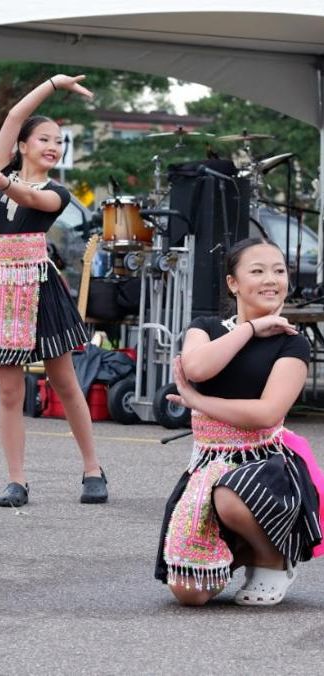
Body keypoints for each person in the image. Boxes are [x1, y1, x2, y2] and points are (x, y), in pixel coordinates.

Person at [0, 74, 108, 507]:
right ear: (22, 146)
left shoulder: (56, 192)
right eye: (44, 139)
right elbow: (14, 115)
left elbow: (31, 200)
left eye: (59, 142)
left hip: (37, 286)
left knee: (64, 381)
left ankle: (93, 469)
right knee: (9, 390)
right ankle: (16, 480)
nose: (53, 146)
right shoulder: (3, 169)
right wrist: (53, 84)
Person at [155, 237, 324, 606]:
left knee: (230, 495)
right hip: (207, 464)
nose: (271, 279)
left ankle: (272, 557)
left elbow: (266, 413)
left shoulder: (292, 343)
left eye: (279, 271)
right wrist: (250, 329)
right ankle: (241, 551)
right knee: (189, 594)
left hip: (266, 466)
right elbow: (196, 368)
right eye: (258, 271)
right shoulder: (205, 327)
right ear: (233, 283)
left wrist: (199, 402)